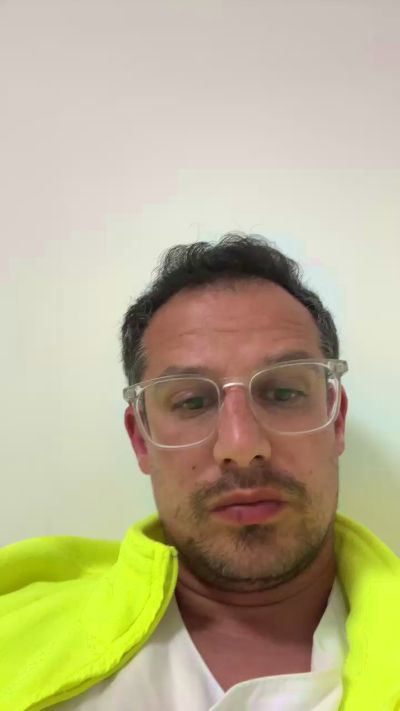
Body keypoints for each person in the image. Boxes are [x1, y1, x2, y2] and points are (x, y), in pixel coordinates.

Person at [1, 234, 399, 711]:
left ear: (336, 421)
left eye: (284, 394)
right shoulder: (15, 635)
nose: (242, 447)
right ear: (141, 439)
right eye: (192, 402)